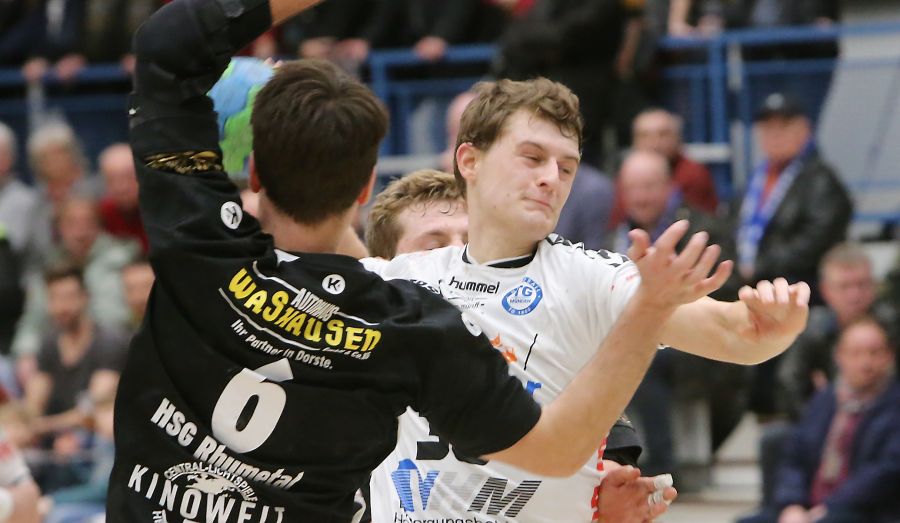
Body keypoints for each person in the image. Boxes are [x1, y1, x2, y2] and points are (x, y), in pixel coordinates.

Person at [108, 0, 756, 520]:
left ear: (253, 173)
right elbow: (557, 448)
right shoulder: (414, 325)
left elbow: (167, 45)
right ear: (366, 191)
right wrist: (647, 312)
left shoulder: (195, 245)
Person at [363, 77, 809, 522]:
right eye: (532, 157)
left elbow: (737, 333)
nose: (549, 179)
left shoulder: (590, 276)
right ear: (469, 160)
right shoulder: (402, 277)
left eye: (566, 167)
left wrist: (775, 325)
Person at [737, 92, 853, 416]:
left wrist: (759, 266)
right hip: (758, 294)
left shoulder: (821, 179)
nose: (775, 135)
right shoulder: (757, 180)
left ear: (805, 129)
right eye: (767, 127)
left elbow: (817, 238)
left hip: (802, 297)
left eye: (784, 126)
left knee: (787, 379)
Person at [736, 317, 900, 523]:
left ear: (889, 356)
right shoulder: (824, 400)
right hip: (808, 505)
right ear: (839, 356)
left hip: (863, 509)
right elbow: (795, 458)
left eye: (874, 353)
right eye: (855, 353)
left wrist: (831, 507)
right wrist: (792, 504)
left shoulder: (894, 403)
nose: (865, 363)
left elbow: (885, 471)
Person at [630, 107, 718, 215]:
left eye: (663, 134)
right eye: (645, 135)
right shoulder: (627, 177)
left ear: (678, 137)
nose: (654, 143)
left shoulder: (693, 175)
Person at [97, 143, 148, 253]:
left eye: (129, 177)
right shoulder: (102, 214)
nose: (121, 187)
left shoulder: (160, 211)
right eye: (112, 180)